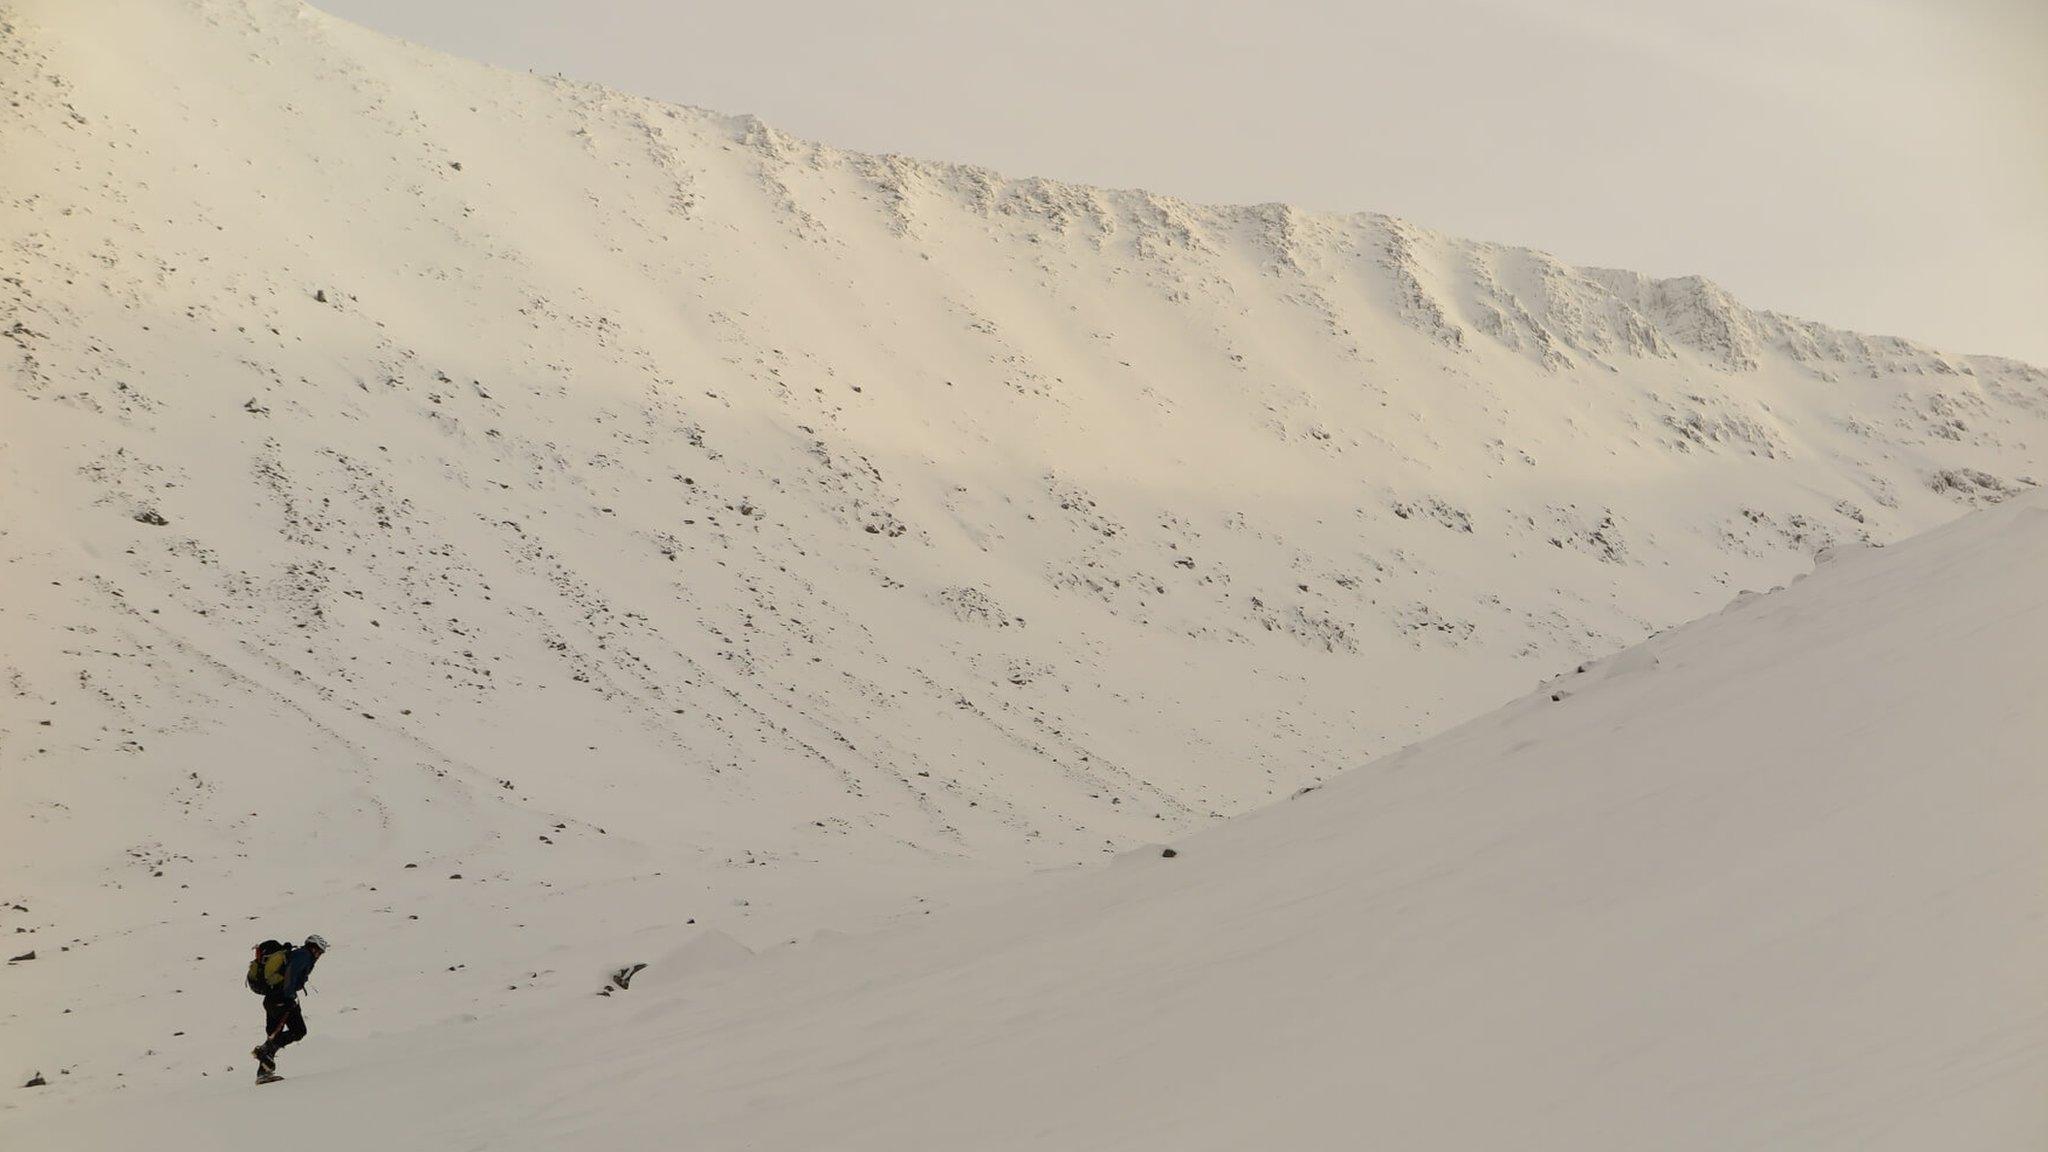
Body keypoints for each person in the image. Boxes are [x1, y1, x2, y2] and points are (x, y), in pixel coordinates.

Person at [251, 934, 327, 1081]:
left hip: (271, 998)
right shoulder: (303, 955)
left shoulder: (298, 954)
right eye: (318, 951)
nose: (319, 955)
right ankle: (264, 1051)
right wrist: (289, 996)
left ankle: (263, 1073)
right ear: (312, 947)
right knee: (298, 1030)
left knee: (274, 1035)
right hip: (282, 998)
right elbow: (290, 975)